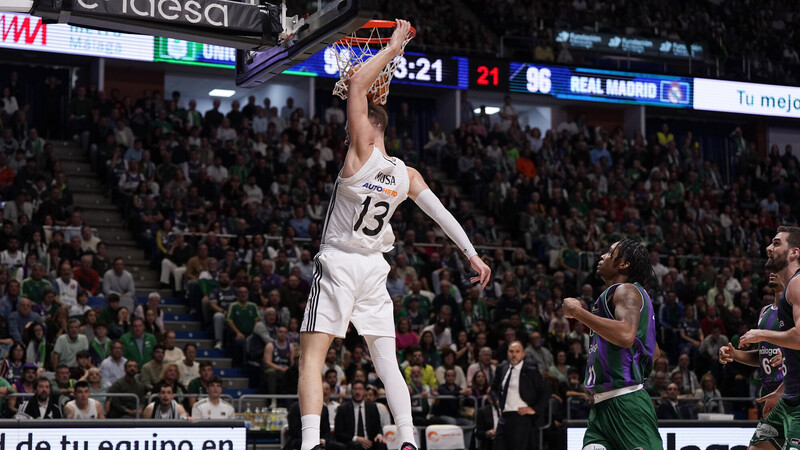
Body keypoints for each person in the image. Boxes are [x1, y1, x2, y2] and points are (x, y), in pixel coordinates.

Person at [297, 20, 491, 450]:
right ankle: (407, 438)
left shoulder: (360, 149)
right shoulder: (407, 175)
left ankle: (311, 444)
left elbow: (358, 86)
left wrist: (395, 45)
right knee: (387, 363)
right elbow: (443, 216)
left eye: (355, 123)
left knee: (311, 358)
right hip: (373, 270)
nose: (348, 130)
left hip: (340, 262)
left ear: (370, 127)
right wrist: (472, 255)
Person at [562, 239, 663, 449]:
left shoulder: (626, 291)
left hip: (626, 404)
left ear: (623, 263)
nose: (602, 256)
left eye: (609, 253)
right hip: (602, 407)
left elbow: (626, 335)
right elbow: (654, 352)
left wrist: (578, 313)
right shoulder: (621, 294)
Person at [738, 226, 800, 448]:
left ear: (794, 252)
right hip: (788, 397)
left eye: (776, 243)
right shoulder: (788, 290)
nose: (768, 248)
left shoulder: (798, 284)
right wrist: (779, 392)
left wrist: (760, 333)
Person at [720, 272, 785, 448]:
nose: (773, 270)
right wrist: (735, 355)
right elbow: (763, 354)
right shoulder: (765, 311)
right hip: (768, 392)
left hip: (790, 391)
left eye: (779, 267)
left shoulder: (795, 309)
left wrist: (788, 356)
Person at [490, 341, 548, 450]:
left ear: (523, 354)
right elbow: (493, 388)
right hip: (504, 416)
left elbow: (545, 392)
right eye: (511, 351)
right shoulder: (502, 367)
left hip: (521, 417)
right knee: (498, 445)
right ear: (507, 353)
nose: (514, 354)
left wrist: (534, 409)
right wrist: (497, 401)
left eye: (517, 351)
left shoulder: (531, 369)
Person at [334, 380, 387, 450]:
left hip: (369, 441)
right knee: (357, 446)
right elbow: (338, 432)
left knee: (381, 445)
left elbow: (378, 427)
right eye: (355, 389)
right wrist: (356, 438)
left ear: (364, 391)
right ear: (351, 391)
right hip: (352, 442)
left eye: (360, 389)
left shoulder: (372, 407)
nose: (357, 392)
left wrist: (379, 435)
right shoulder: (343, 409)